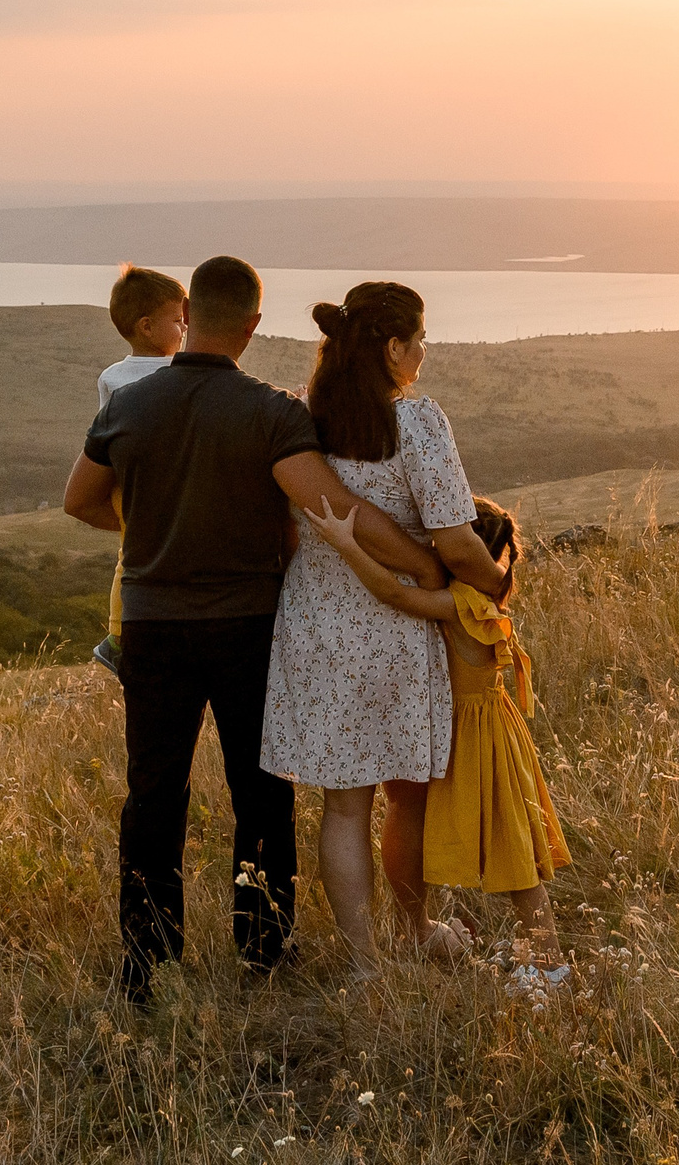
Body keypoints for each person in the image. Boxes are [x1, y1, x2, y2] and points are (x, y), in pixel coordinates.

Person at [65, 256, 445, 1002]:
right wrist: (426, 564)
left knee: (153, 795)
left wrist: (152, 531)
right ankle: (265, 951)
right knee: (261, 793)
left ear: (187, 317)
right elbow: (335, 507)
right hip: (246, 625)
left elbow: (79, 498)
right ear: (251, 325)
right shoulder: (269, 411)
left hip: (152, 625)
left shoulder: (130, 404)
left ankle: (147, 966)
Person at [258, 280, 514, 972]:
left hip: (317, 624)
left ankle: (364, 962)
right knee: (406, 797)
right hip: (398, 626)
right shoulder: (417, 423)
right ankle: (415, 929)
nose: (424, 352)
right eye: (420, 340)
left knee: (344, 806)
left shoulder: (303, 422)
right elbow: (456, 542)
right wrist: (500, 584)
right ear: (394, 348)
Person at [298, 491, 570, 975]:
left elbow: (395, 594)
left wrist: (347, 544)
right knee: (512, 850)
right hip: (491, 733)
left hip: (477, 741)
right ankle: (541, 960)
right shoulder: (481, 596)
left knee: (513, 857)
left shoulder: (461, 602)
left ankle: (550, 969)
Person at [90, 265, 188, 680]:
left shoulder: (111, 377)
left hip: (126, 481)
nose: (185, 327)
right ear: (147, 327)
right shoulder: (178, 372)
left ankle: (118, 636)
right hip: (163, 482)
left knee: (128, 558)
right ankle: (117, 637)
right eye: (177, 320)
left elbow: (105, 435)